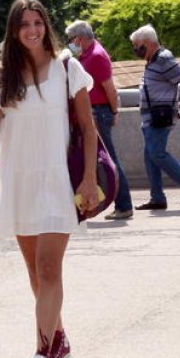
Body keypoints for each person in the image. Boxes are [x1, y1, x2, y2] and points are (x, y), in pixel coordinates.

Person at [0, 0, 99, 358]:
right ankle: (59, 337)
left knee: (49, 267)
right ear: (14, 31)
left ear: (46, 25)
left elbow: (89, 128)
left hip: (56, 180)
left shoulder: (68, 68)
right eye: (24, 24)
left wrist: (89, 178)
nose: (32, 30)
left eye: (37, 22)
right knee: (34, 271)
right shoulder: (0, 76)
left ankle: (43, 349)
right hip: (17, 179)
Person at [129, 24, 180, 211]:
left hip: (159, 116)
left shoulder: (163, 59)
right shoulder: (152, 60)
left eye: (138, 45)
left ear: (148, 43)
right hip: (150, 118)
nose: (136, 50)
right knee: (150, 157)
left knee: (156, 153)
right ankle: (157, 198)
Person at [64, 20, 133, 220]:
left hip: (99, 112)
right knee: (106, 158)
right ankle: (119, 203)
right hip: (96, 111)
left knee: (107, 160)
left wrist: (114, 111)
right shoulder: (88, 55)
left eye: (72, 39)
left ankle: (123, 204)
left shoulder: (96, 56)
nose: (71, 43)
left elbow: (109, 88)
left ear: (80, 38)